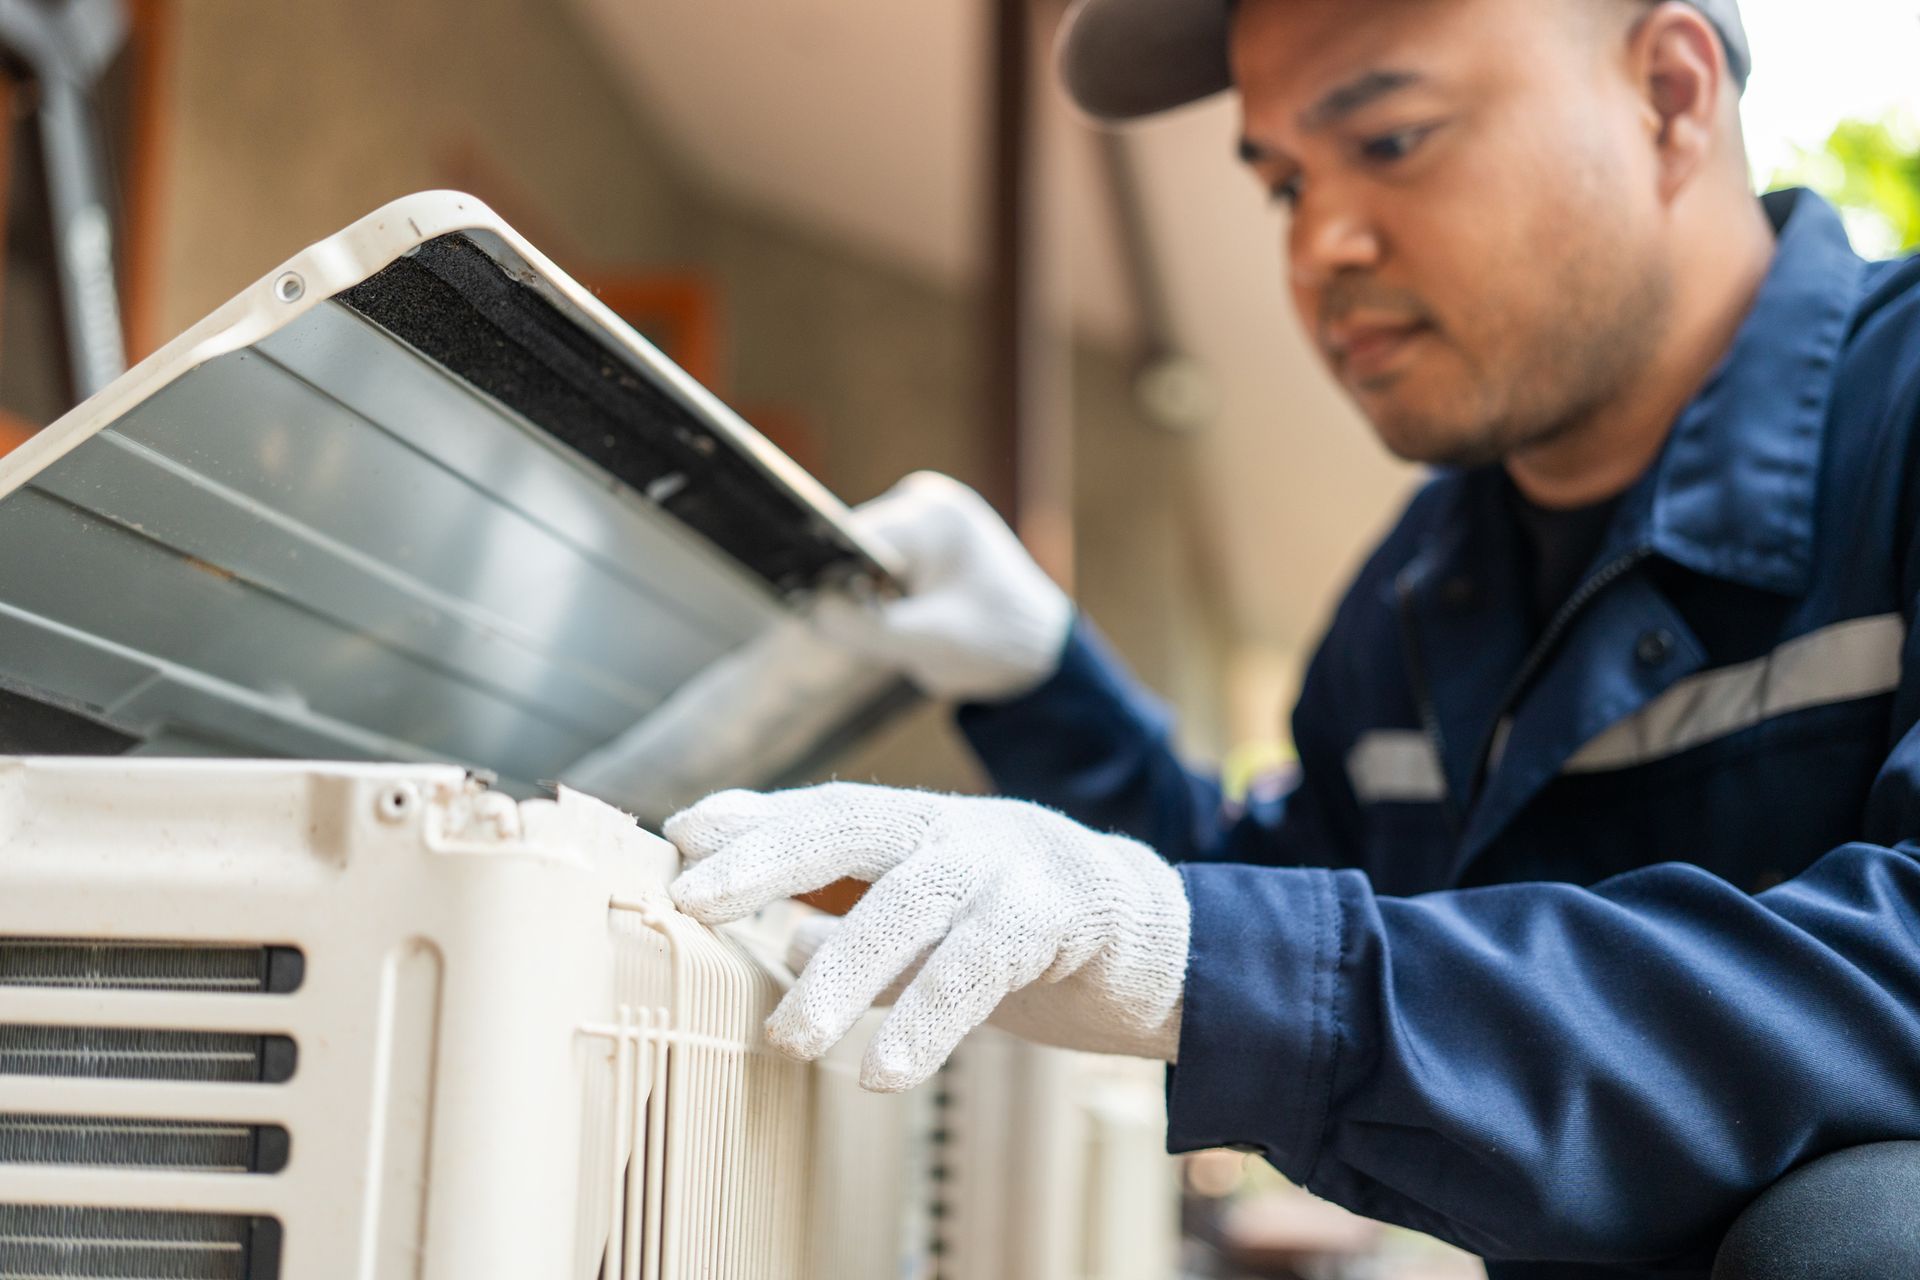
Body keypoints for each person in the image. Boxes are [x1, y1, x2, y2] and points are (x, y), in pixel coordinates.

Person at [655, 1, 1920, 1275]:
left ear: (1670, 94)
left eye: (1393, 139)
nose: (1320, 246)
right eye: (1283, 185)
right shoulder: (1429, 588)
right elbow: (1258, 915)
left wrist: (1207, 952)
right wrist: (1042, 680)